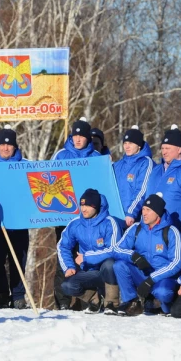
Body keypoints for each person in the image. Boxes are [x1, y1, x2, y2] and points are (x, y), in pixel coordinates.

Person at [51, 117, 101, 310]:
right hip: (65, 216)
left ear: (88, 137)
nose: (78, 139)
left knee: (86, 257)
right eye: (75, 135)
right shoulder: (61, 155)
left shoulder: (97, 158)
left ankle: (83, 300)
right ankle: (63, 301)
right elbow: (50, 182)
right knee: (64, 256)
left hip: (89, 218)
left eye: (82, 136)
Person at [112, 192, 181, 316]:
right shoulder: (136, 228)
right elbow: (116, 249)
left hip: (163, 277)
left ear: (158, 213)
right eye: (143, 209)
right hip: (142, 273)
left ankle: (161, 304)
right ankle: (132, 302)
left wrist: (152, 279)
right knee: (119, 265)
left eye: (148, 210)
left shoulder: (171, 231)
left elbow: (176, 263)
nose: (144, 213)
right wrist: (134, 256)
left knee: (163, 293)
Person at [0, 125, 30, 309]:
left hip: (18, 223)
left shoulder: (24, 165)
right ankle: (2, 295)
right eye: (2, 145)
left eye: (9, 145)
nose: (5, 148)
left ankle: (18, 295)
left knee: (18, 261)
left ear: (15, 147)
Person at [57, 189, 121, 315]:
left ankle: (111, 304)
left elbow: (114, 250)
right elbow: (63, 246)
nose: (83, 209)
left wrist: (87, 257)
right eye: (82, 205)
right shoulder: (75, 224)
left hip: (108, 272)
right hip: (89, 272)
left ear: (96, 206)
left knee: (110, 264)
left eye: (88, 205)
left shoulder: (110, 223)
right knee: (67, 286)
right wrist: (68, 266)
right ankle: (95, 301)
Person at [113, 125, 155, 228]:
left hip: (132, 219)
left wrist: (131, 213)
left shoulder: (145, 163)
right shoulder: (118, 165)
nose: (127, 146)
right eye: (125, 143)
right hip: (115, 216)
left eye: (131, 143)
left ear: (139, 145)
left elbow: (142, 190)